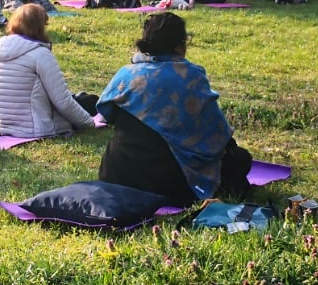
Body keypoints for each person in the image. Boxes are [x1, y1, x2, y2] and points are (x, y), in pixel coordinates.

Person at [97, 11, 253, 204]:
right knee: (240, 159)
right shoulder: (190, 76)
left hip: (116, 173)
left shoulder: (126, 74)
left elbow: (107, 114)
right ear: (180, 45)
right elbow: (217, 135)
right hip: (168, 181)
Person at [0, 4, 97, 139]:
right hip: (31, 127)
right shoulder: (40, 54)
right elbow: (62, 101)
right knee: (88, 101)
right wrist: (89, 123)